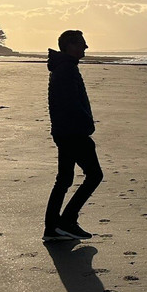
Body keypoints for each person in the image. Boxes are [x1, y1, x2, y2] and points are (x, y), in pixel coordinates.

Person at [43, 29, 102, 242]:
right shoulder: (66, 69)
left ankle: (53, 228)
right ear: (70, 46)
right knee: (94, 175)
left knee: (64, 179)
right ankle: (67, 221)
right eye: (81, 44)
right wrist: (86, 126)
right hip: (72, 132)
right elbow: (70, 105)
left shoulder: (64, 67)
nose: (85, 47)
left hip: (64, 131)